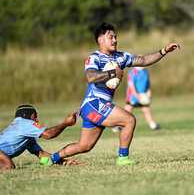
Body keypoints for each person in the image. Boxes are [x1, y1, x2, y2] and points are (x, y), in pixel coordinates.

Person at [49, 22, 180, 166]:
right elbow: (90, 77)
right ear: (100, 40)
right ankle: (122, 158)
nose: (115, 40)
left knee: (84, 146)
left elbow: (143, 60)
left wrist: (163, 51)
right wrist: (113, 73)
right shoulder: (95, 58)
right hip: (94, 103)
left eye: (115, 37)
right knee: (129, 120)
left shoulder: (121, 57)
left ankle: (51, 159)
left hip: (97, 106)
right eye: (111, 37)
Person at [0, 104, 78, 170]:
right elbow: (48, 134)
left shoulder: (25, 133)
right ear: (26, 115)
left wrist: (64, 162)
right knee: (8, 167)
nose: (37, 120)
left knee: (7, 166)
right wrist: (65, 123)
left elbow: (41, 155)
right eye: (35, 116)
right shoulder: (25, 123)